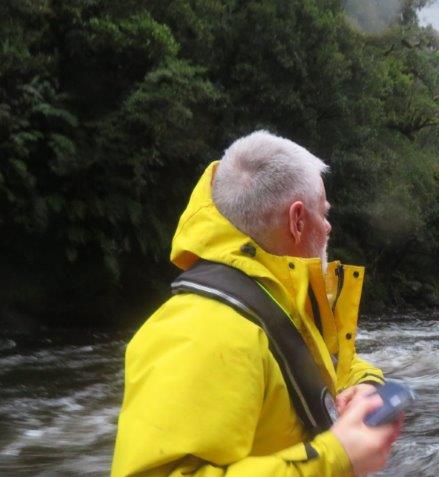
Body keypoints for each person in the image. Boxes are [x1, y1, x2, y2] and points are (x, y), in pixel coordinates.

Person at [111, 130, 401, 476]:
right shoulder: (203, 329)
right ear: (297, 221)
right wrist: (335, 458)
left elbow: (331, 367)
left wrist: (364, 386)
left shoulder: (275, 299)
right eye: (323, 213)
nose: (327, 227)